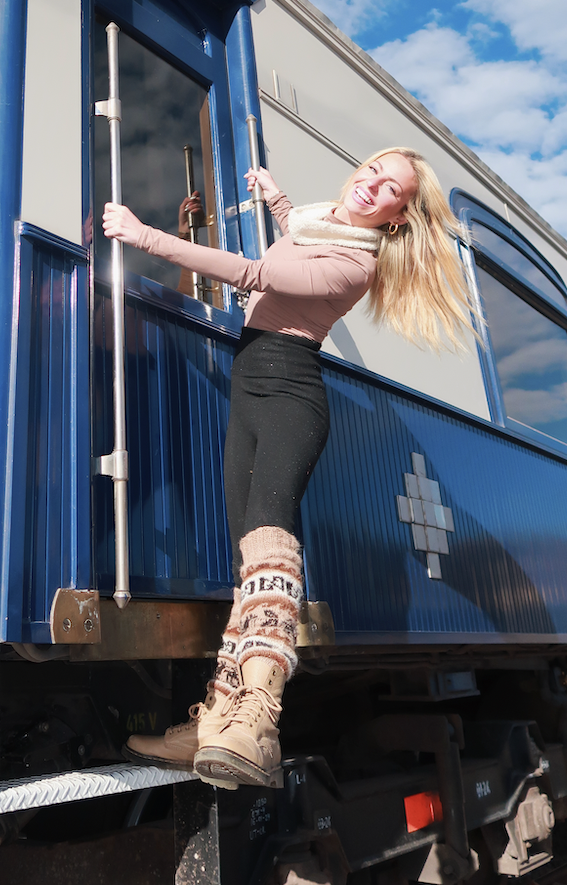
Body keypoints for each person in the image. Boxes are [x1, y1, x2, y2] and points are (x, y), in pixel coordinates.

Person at [102, 148, 475, 790]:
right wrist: (278, 199)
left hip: (289, 392)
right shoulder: (325, 227)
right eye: (370, 169)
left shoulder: (357, 263)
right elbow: (299, 236)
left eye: (390, 189)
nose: (370, 185)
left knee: (271, 543)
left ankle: (259, 723)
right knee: (247, 556)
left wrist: (145, 237)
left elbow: (260, 270)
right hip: (252, 387)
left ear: (398, 217)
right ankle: (219, 714)